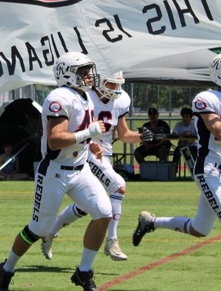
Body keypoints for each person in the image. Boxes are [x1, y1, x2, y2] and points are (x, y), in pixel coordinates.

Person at [131, 52, 221, 291]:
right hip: (208, 169)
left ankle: (150, 222)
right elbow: (220, 131)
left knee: (199, 229)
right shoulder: (206, 98)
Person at [0, 52, 113, 291]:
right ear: (67, 73)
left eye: (89, 70)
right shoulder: (59, 97)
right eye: (83, 71)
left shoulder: (85, 96)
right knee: (39, 229)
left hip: (81, 169)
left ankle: (83, 272)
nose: (89, 75)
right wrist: (88, 132)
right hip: (55, 172)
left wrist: (90, 143)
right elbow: (55, 141)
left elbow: (78, 132)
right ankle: (6, 268)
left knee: (103, 213)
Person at [39, 71, 151, 263]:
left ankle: (50, 232)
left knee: (87, 206)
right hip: (86, 151)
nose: (115, 89)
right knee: (118, 186)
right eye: (111, 84)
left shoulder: (122, 100)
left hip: (104, 154)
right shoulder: (85, 96)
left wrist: (141, 136)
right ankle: (111, 240)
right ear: (100, 81)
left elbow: (124, 135)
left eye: (118, 85)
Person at [170, 106, 199, 172]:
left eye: (187, 117)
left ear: (190, 118)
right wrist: (181, 135)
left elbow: (198, 135)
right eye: (183, 117)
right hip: (181, 145)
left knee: (196, 153)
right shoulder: (178, 124)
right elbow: (174, 134)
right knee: (176, 153)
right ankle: (173, 171)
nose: (185, 119)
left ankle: (196, 171)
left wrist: (189, 135)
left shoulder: (194, 124)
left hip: (193, 146)